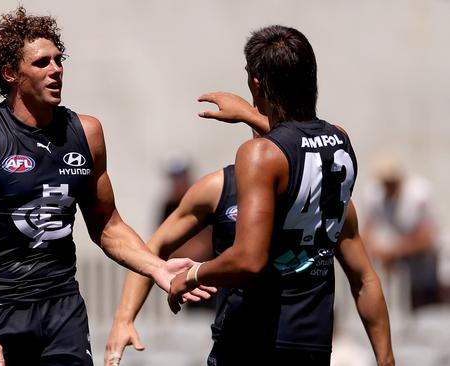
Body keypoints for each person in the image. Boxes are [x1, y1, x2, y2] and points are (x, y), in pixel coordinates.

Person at [0, 7, 200, 366]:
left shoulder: (86, 133)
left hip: (62, 310)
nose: (56, 69)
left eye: (59, 60)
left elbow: (108, 225)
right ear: (10, 73)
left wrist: (155, 267)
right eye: (42, 63)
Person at [167, 26, 394, 366]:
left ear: (256, 85)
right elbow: (363, 278)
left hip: (254, 340)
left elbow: (248, 259)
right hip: (312, 342)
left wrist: (192, 275)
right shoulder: (340, 143)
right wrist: (386, 360)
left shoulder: (258, 154)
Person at [364, 155, 440, 309]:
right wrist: (378, 252)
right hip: (398, 261)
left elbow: (428, 237)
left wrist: (393, 252)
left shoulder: (419, 194)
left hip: (425, 263)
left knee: (426, 307)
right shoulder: (374, 194)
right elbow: (366, 232)